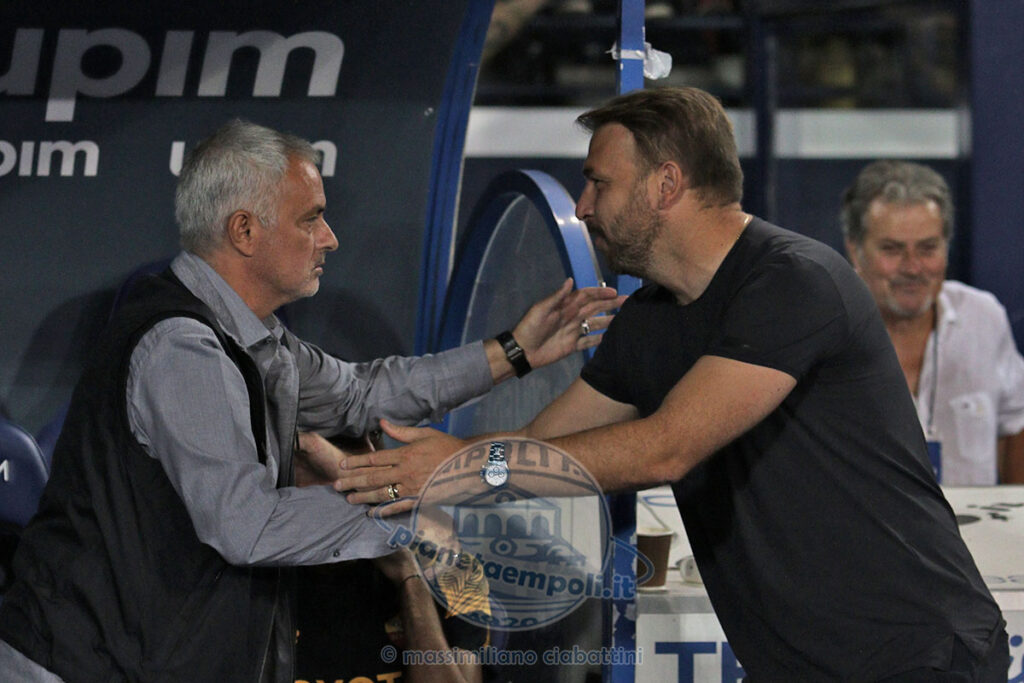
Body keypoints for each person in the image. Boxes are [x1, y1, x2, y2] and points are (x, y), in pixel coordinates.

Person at [330, 87, 1011, 680]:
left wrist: (460, 463)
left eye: (599, 183)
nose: (585, 207)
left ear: (665, 184)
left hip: (917, 655)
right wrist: (398, 478)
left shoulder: (793, 281)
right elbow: (541, 449)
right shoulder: (648, 322)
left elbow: (666, 448)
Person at [0, 119, 620, 682]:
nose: (330, 238)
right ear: (244, 231)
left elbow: (365, 393)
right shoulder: (181, 348)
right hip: (75, 665)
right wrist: (410, 509)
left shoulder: (256, 339)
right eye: (311, 219)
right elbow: (248, 526)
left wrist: (513, 351)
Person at [841, 159, 1024, 485]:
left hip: (973, 519)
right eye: (892, 249)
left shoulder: (983, 317)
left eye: (928, 248)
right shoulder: (825, 328)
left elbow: (1016, 423)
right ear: (855, 251)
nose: (913, 267)